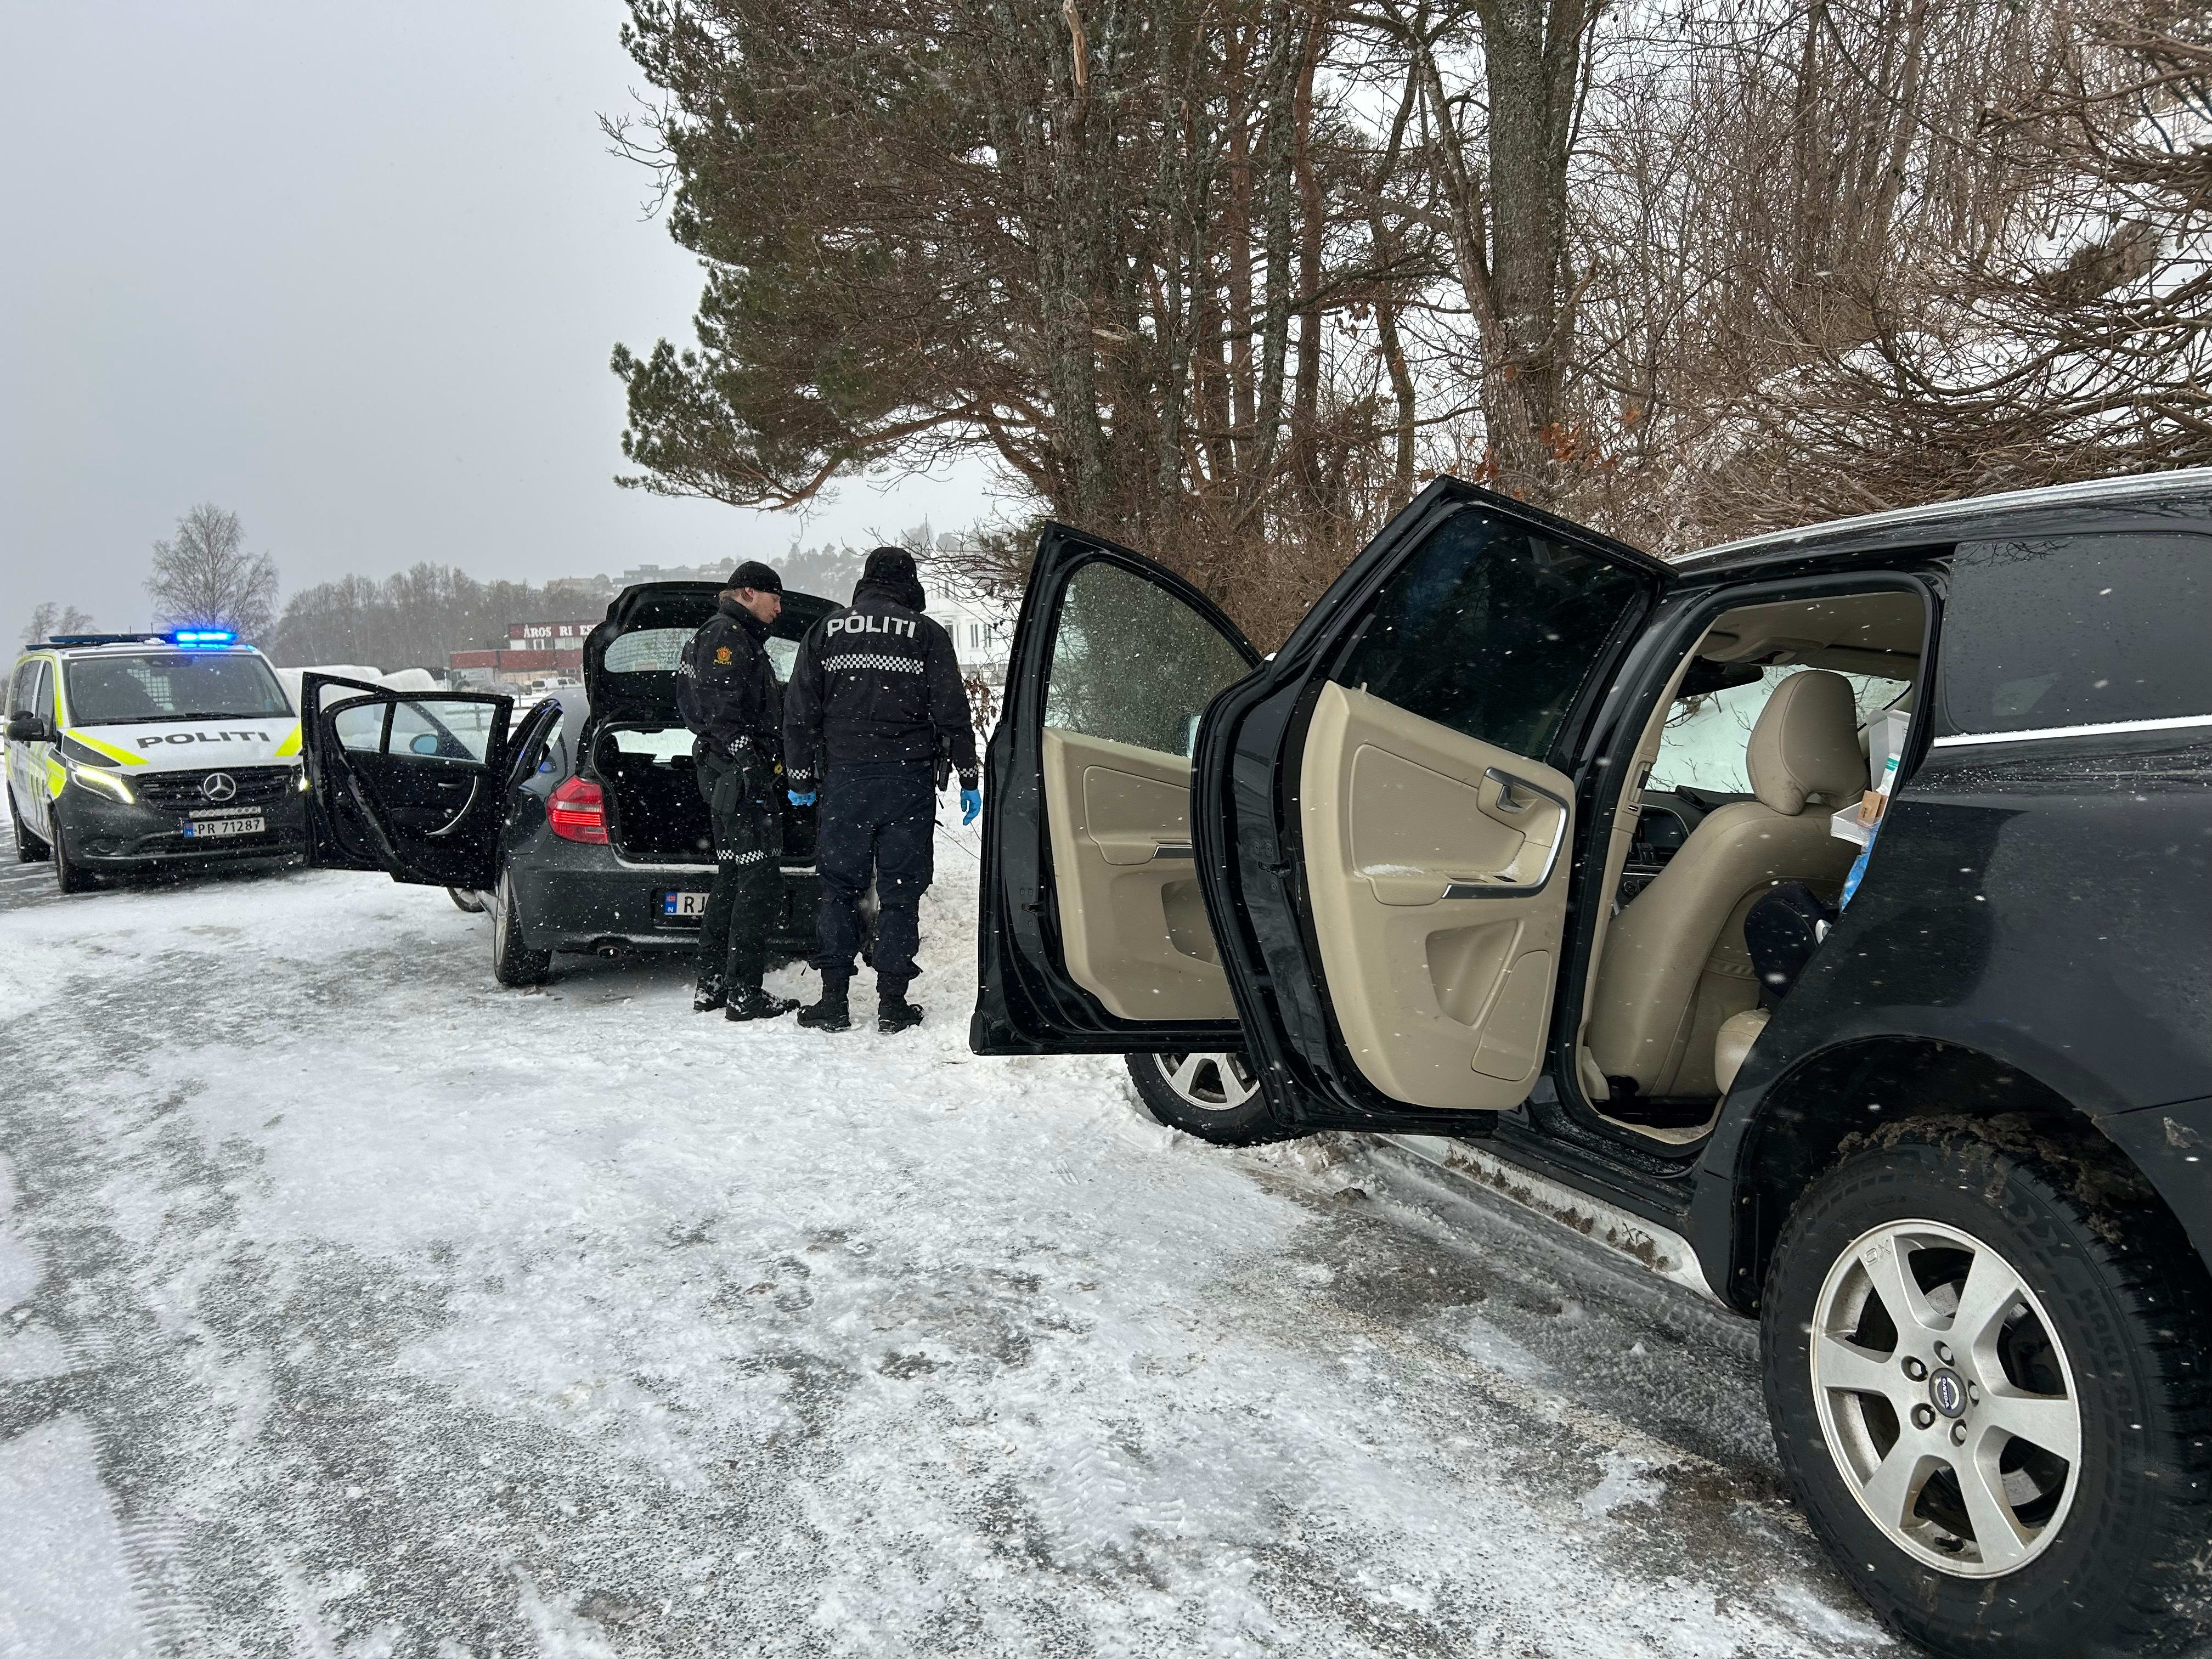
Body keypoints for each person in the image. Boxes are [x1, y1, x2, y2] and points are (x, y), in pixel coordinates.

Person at [782, 545, 981, 1034]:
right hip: (906, 782)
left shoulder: (825, 631)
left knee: (838, 889)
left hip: (845, 781)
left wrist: (801, 779)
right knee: (900, 891)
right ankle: (893, 1004)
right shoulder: (926, 634)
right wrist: (968, 775)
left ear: (866, 580)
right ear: (907, 582)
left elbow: (799, 713)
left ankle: (833, 1001)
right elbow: (952, 710)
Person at [676, 561, 799, 1023]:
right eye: (775, 598)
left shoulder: (720, 633)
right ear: (748, 592)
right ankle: (744, 992)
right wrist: (753, 764)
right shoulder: (727, 636)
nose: (780, 608)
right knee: (761, 882)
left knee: (732, 879)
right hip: (738, 776)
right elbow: (724, 711)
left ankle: (712, 986)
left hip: (724, 771)